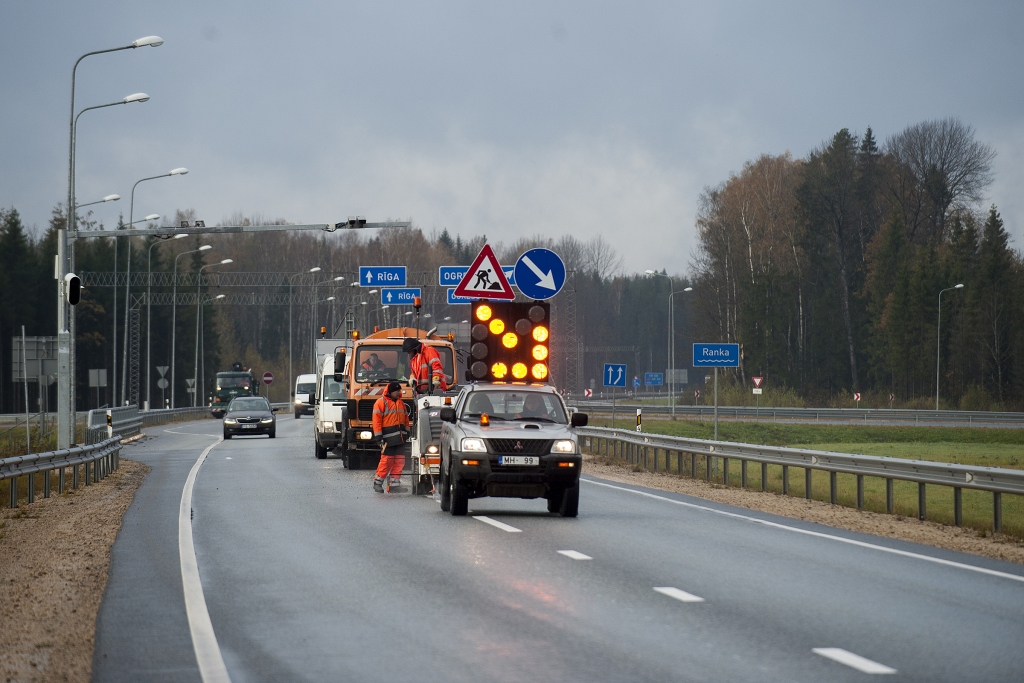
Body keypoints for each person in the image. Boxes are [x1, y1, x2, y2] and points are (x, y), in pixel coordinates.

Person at [371, 381, 410, 493]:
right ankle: (378, 483)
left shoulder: (401, 403)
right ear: (391, 391)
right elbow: (376, 422)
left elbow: (406, 420)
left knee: (399, 461)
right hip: (388, 439)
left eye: (399, 390)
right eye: (397, 391)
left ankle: (394, 484)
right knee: (386, 461)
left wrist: (407, 433)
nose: (399, 392)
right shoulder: (380, 403)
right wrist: (378, 437)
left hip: (400, 438)